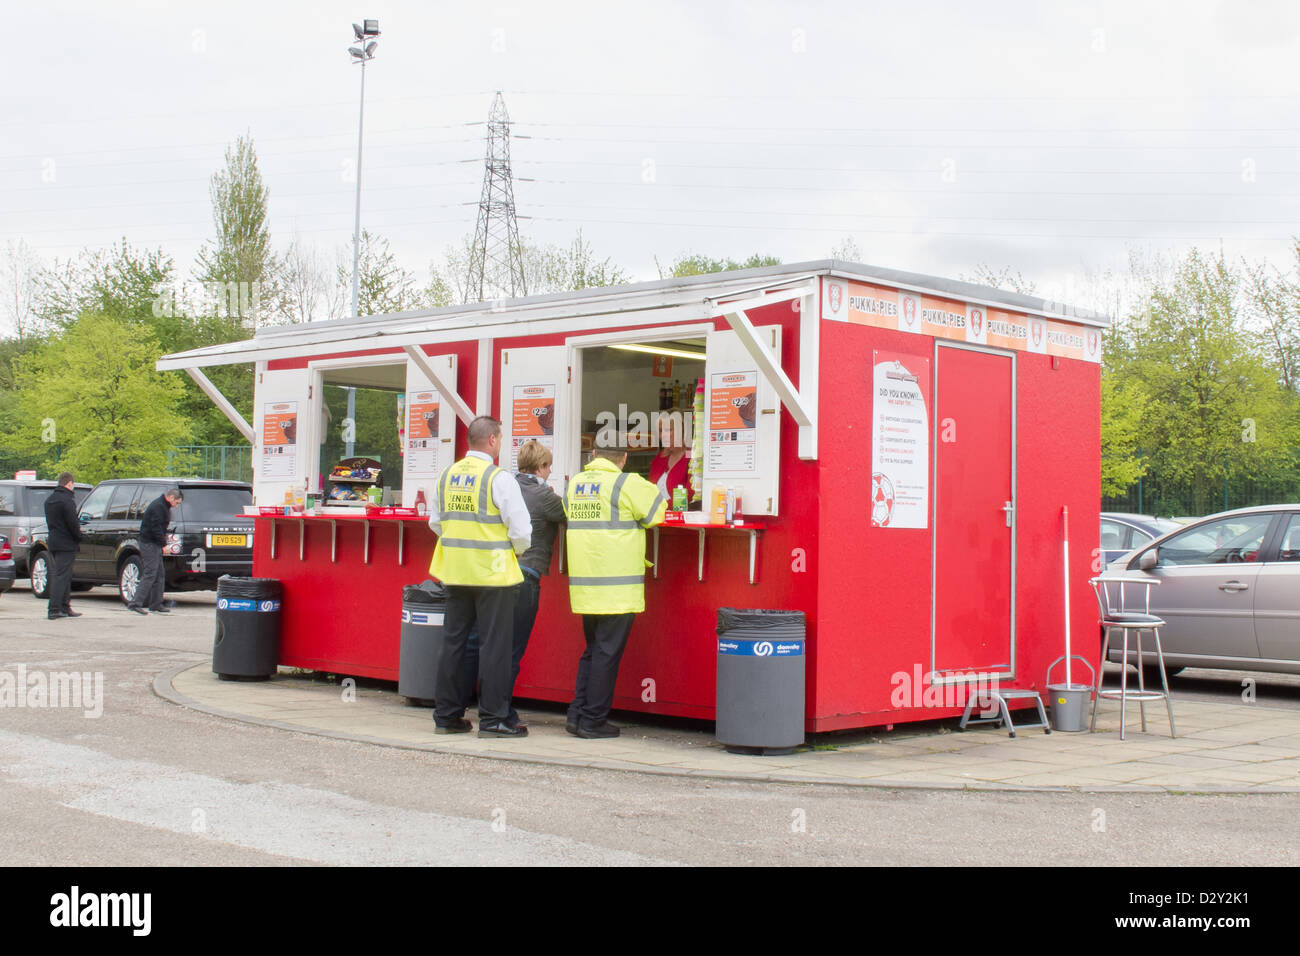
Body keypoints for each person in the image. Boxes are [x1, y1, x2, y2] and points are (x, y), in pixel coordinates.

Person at [428, 416, 532, 738]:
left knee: (453, 643)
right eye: (500, 438)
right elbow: (522, 531)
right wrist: (515, 551)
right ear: (492, 440)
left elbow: (435, 521)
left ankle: (447, 716)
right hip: (493, 574)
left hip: (455, 572)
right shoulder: (498, 478)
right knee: (495, 647)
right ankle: (493, 719)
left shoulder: (446, 476)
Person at [564, 442, 668, 738]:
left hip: (586, 586)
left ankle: (576, 714)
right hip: (617, 587)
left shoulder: (576, 484)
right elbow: (656, 513)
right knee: (606, 654)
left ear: (594, 455)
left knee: (593, 652)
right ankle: (593, 721)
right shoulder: (627, 483)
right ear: (623, 458)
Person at [127, 487, 182, 615]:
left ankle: (156, 604)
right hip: (149, 543)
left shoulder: (163, 505)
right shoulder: (159, 506)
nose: (176, 506)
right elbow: (156, 528)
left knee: (159, 574)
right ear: (171, 498)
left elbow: (161, 528)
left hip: (154, 544)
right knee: (150, 573)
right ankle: (135, 603)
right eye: (177, 503)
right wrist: (163, 545)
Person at [43, 472, 84, 620]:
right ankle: (54, 609)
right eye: (73, 485)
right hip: (66, 543)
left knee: (64, 575)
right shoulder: (67, 501)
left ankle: (65, 607)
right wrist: (79, 537)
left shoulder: (49, 500)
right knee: (61, 576)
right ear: (69, 484)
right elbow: (73, 523)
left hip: (54, 541)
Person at [647, 412, 694, 506]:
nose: (663, 435)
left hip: (681, 518)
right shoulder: (658, 459)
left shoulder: (691, 457)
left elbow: (690, 495)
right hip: (657, 517)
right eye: (660, 431)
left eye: (668, 430)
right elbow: (649, 492)